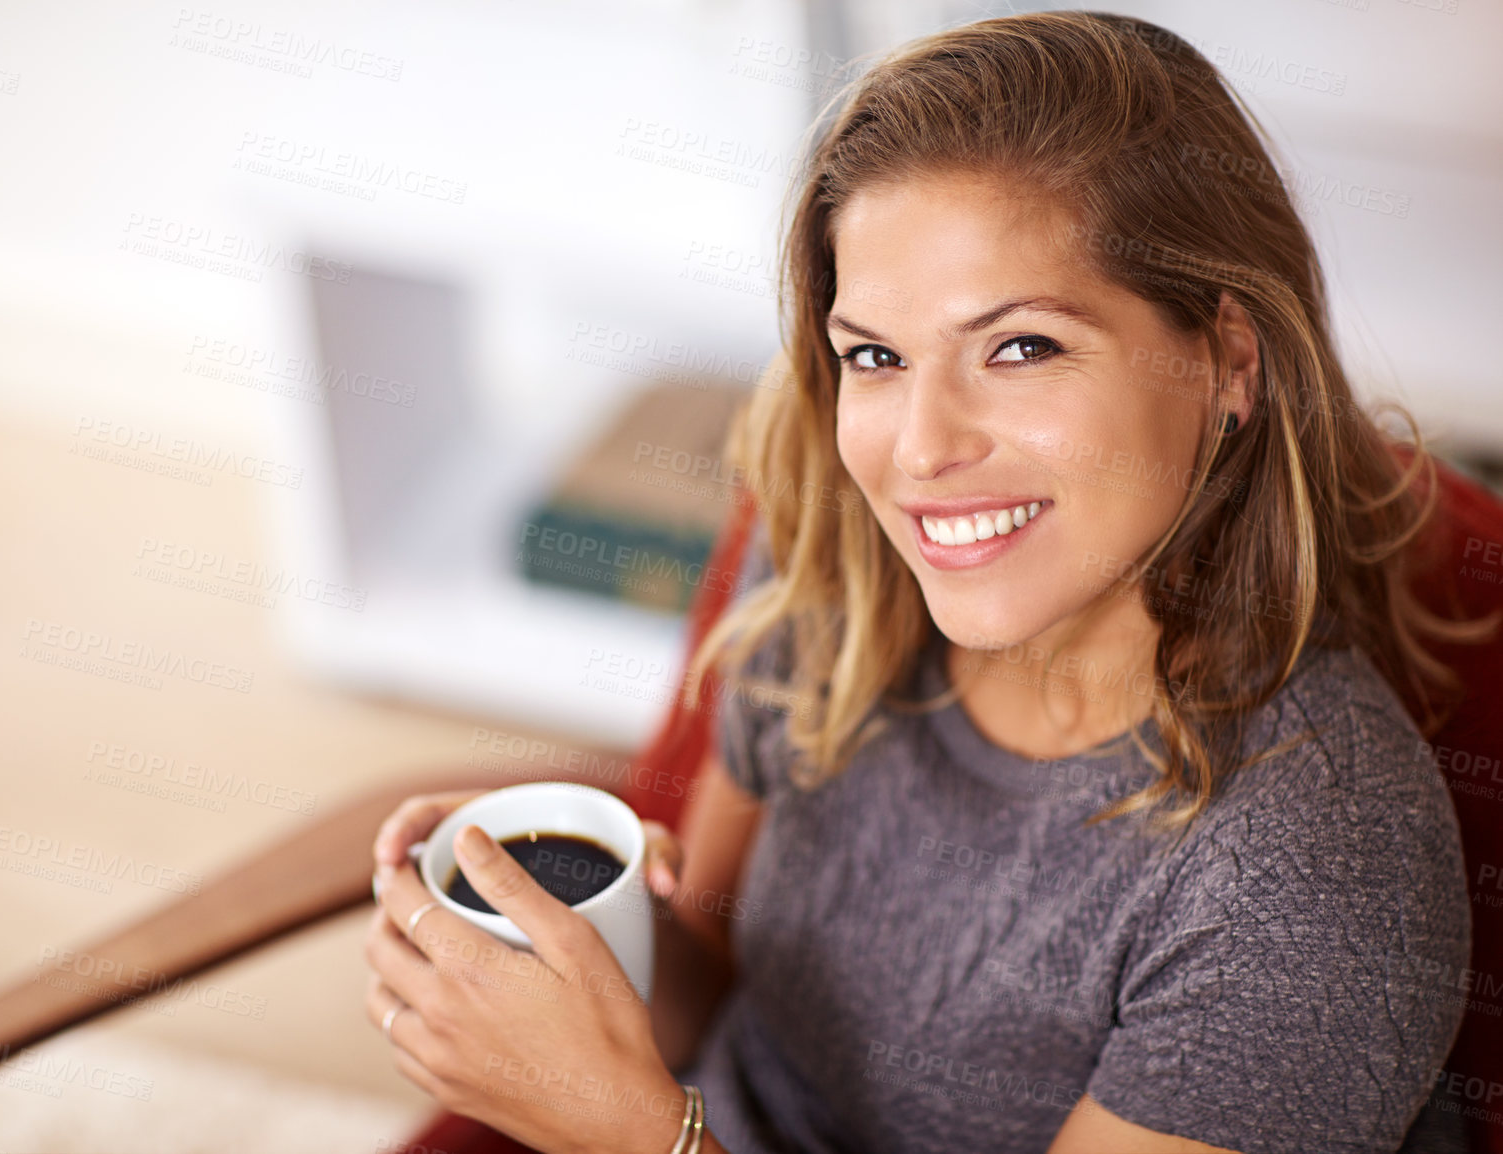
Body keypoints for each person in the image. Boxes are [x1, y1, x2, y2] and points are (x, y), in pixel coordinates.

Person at [362, 11, 1486, 1152]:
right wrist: (576, 943)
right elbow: (716, 991)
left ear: (1227, 358)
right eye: (876, 357)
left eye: (1020, 347)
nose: (920, 447)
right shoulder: (834, 572)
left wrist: (639, 1133)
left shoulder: (1309, 874)